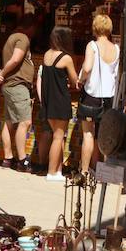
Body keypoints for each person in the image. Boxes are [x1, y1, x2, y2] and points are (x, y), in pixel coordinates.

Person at [0, 13, 37, 172]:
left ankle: (8, 158)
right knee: (24, 122)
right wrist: (2, 73)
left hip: (11, 85)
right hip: (17, 85)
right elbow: (16, 59)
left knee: (10, 122)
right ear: (30, 27)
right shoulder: (22, 38)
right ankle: (22, 160)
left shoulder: (12, 37)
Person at [78, 14, 119, 173]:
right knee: (104, 136)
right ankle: (102, 170)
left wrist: (81, 80)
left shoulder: (92, 46)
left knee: (88, 134)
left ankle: (84, 171)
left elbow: (87, 68)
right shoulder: (116, 48)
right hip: (110, 96)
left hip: (92, 94)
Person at [40, 27, 79, 181]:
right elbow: (75, 80)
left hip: (49, 101)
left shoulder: (46, 54)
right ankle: (51, 172)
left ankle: (58, 171)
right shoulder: (66, 58)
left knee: (58, 136)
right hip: (61, 100)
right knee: (58, 137)